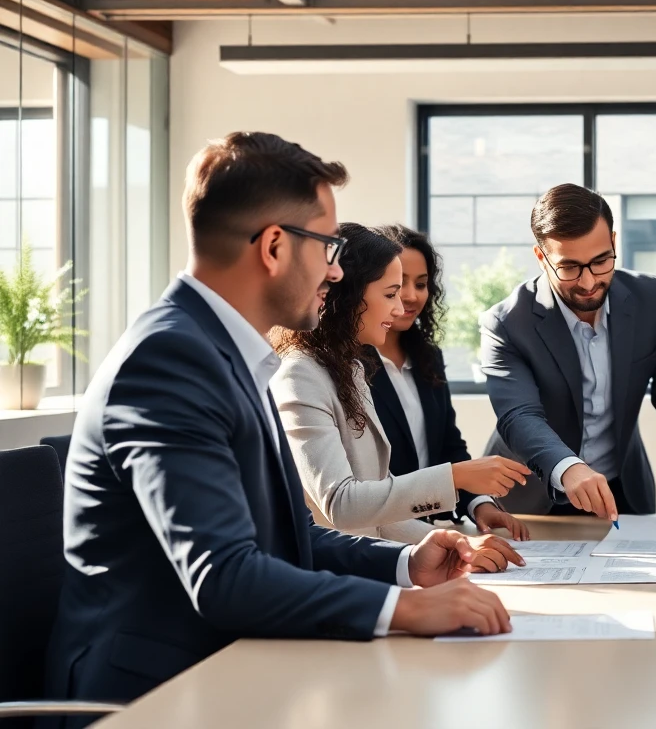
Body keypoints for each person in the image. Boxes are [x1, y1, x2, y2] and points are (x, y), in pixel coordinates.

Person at [44, 133, 517, 721]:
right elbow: (224, 575)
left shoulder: (225, 353)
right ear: (273, 246)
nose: (336, 269)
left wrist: (404, 566)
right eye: (328, 246)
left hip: (230, 665)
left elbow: (285, 536)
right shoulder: (169, 360)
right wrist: (402, 609)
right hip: (150, 693)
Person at [271, 223, 530, 550]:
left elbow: (378, 508)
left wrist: (452, 545)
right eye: (390, 293)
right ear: (350, 293)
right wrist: (456, 477)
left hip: (372, 560)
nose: (400, 307)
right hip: (336, 570)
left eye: (417, 286)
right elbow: (341, 504)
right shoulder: (299, 375)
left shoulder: (350, 369)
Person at [479, 183, 656, 520]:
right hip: (532, 502)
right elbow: (519, 416)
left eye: (600, 261)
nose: (589, 281)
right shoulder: (507, 323)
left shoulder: (653, 300)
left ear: (614, 243)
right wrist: (569, 468)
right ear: (541, 258)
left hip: (623, 492)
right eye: (569, 267)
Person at [369, 223, 529, 540]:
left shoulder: (428, 357)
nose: (412, 296)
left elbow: (448, 447)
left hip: (434, 533)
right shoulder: (346, 367)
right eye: (398, 284)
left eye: (422, 283)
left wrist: (481, 505)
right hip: (381, 535)